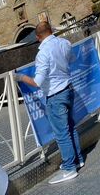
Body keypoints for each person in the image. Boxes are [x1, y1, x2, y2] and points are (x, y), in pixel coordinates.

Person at [17, 20, 84, 184]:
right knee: (69, 127)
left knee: (62, 134)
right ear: (51, 30)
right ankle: (78, 159)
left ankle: (69, 168)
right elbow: (72, 59)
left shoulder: (43, 53)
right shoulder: (64, 42)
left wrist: (18, 77)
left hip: (55, 95)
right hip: (68, 89)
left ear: (38, 37)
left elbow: (37, 82)